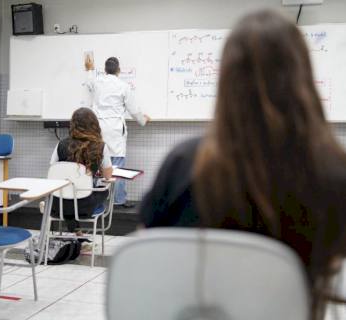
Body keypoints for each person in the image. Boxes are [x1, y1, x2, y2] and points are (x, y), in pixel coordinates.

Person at [139, 9, 346, 319]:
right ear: (302, 79)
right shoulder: (332, 171)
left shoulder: (183, 164)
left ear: (227, 80)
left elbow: (147, 254)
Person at [85, 56, 150, 208]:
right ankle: (119, 200)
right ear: (119, 70)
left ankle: (96, 198)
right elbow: (133, 110)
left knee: (97, 163)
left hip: (98, 128)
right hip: (115, 129)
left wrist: (89, 69)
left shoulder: (97, 82)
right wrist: (143, 120)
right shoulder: (123, 86)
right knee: (118, 167)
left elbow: (89, 83)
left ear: (105, 70)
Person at [50, 107, 113, 233]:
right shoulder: (100, 146)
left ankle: (76, 234)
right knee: (104, 191)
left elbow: (53, 170)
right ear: (94, 125)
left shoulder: (61, 144)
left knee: (70, 193)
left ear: (73, 124)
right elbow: (108, 175)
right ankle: (78, 236)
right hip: (85, 206)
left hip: (59, 204)